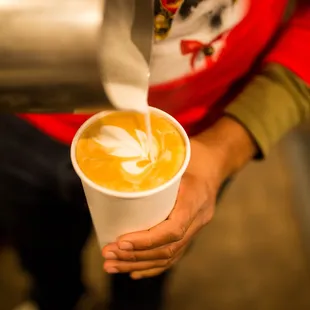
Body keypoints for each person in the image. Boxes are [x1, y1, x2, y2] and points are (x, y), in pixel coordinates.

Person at [1, 0, 310, 309]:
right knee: (42, 253)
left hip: (194, 139)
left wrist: (229, 144)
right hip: (24, 109)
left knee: (145, 270)